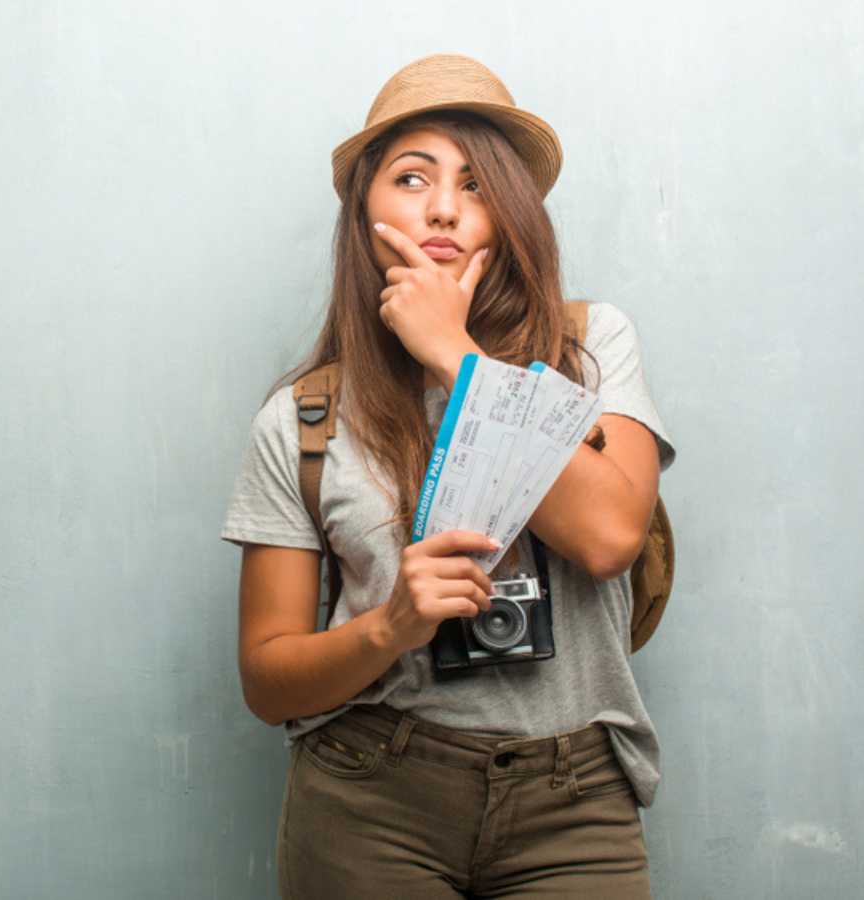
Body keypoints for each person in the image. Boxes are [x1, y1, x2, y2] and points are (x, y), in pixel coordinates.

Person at [219, 54, 678, 899]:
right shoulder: (304, 419)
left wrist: (455, 357)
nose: (441, 207)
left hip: (575, 801)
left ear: (511, 213)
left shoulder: (591, 350)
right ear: (364, 207)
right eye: (411, 177)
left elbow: (610, 536)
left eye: (475, 184)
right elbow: (266, 678)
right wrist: (389, 625)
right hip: (370, 797)